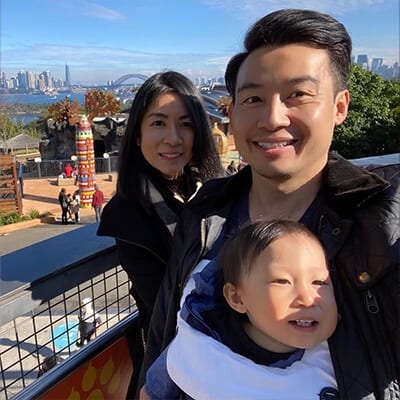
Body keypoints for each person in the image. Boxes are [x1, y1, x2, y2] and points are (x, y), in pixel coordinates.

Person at [141, 9, 399, 400]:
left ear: (340, 107)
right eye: (254, 98)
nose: (273, 118)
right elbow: (166, 341)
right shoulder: (205, 214)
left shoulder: (384, 219)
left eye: (298, 95)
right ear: (232, 112)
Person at [97, 70, 224, 397]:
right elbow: (167, 308)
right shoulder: (128, 214)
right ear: (137, 134)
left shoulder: (210, 191)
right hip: (174, 365)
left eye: (185, 123)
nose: (173, 138)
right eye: (158, 123)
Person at [145, 220, 339, 399]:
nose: (308, 298)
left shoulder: (343, 355)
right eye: (282, 281)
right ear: (236, 297)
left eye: (319, 282)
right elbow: (149, 394)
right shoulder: (197, 348)